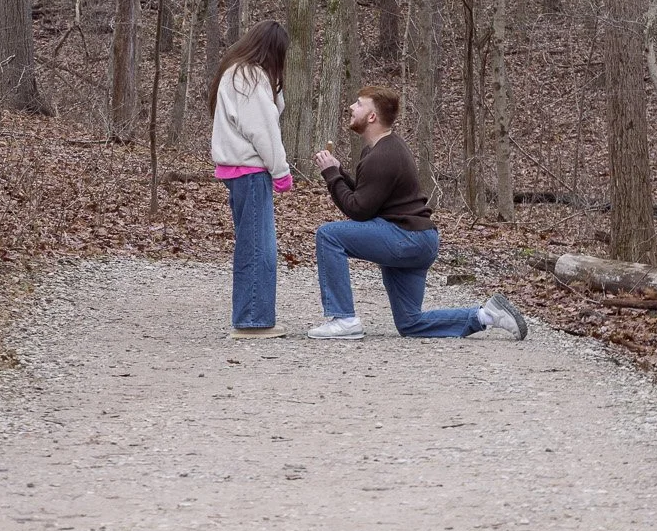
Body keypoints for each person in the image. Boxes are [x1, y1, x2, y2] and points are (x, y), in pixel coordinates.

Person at [309, 87, 528, 341]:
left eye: (358, 104)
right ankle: (487, 316)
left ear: (371, 117)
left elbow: (358, 210)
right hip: (417, 239)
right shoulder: (381, 149)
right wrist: (338, 173)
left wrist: (331, 175)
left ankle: (344, 318)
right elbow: (366, 196)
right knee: (410, 323)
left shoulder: (383, 155)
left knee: (329, 236)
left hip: (406, 238)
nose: (351, 107)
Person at [209, 20, 293, 335]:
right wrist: (281, 171)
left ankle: (250, 316)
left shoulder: (235, 73)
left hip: (236, 171)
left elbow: (266, 113)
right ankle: (253, 319)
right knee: (259, 248)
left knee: (250, 244)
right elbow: (264, 130)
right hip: (252, 171)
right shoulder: (250, 77)